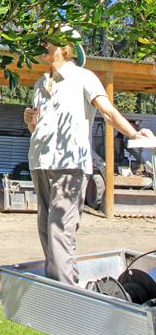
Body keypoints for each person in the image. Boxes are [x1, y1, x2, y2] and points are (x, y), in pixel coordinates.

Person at [24, 27, 154, 286]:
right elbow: (36, 127)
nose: (42, 44)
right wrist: (30, 120)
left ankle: (69, 296)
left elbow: (107, 112)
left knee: (60, 232)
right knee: (45, 231)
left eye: (48, 41)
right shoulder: (40, 83)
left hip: (70, 165)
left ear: (64, 47)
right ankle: (56, 291)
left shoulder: (84, 77)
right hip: (40, 163)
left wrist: (134, 133)